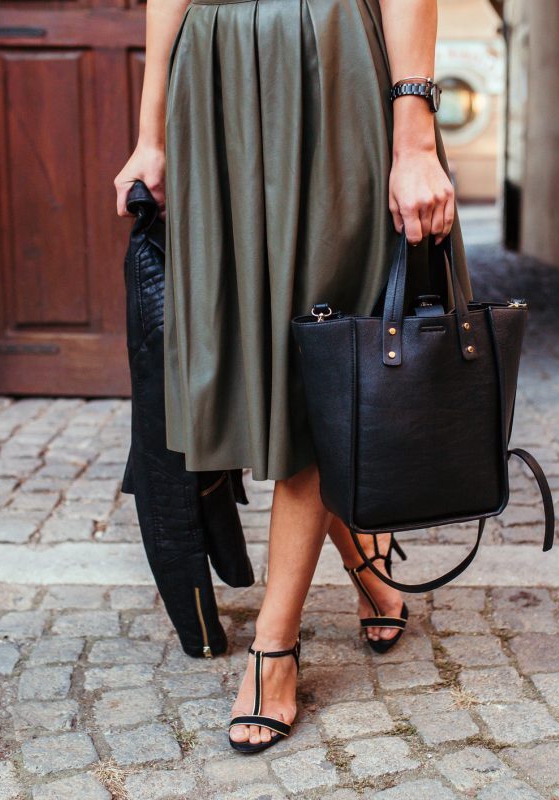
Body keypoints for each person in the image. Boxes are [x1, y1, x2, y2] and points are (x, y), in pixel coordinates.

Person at [114, 0, 468, 754]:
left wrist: (414, 135)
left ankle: (274, 649)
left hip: (329, 62)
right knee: (254, 361)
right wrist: (151, 134)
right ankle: (368, 563)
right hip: (212, 80)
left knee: (321, 353)